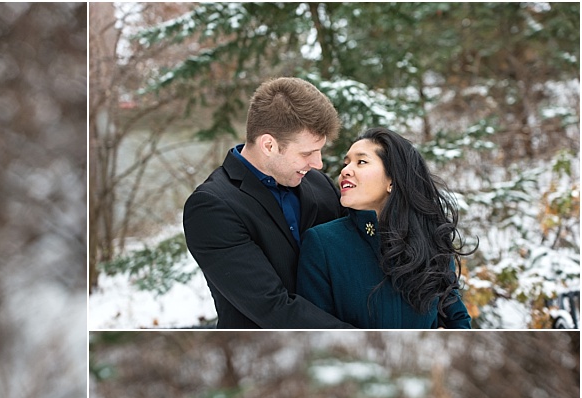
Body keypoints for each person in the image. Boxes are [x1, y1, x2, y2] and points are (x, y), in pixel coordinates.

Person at [183, 78, 351, 328]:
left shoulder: (319, 184)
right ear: (269, 145)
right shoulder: (212, 207)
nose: (318, 163)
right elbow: (272, 306)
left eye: (319, 151)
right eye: (307, 153)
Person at [297, 127, 474, 328]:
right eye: (345, 163)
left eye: (361, 162)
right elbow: (314, 327)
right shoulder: (322, 243)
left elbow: (458, 321)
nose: (345, 170)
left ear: (392, 180)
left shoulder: (431, 242)